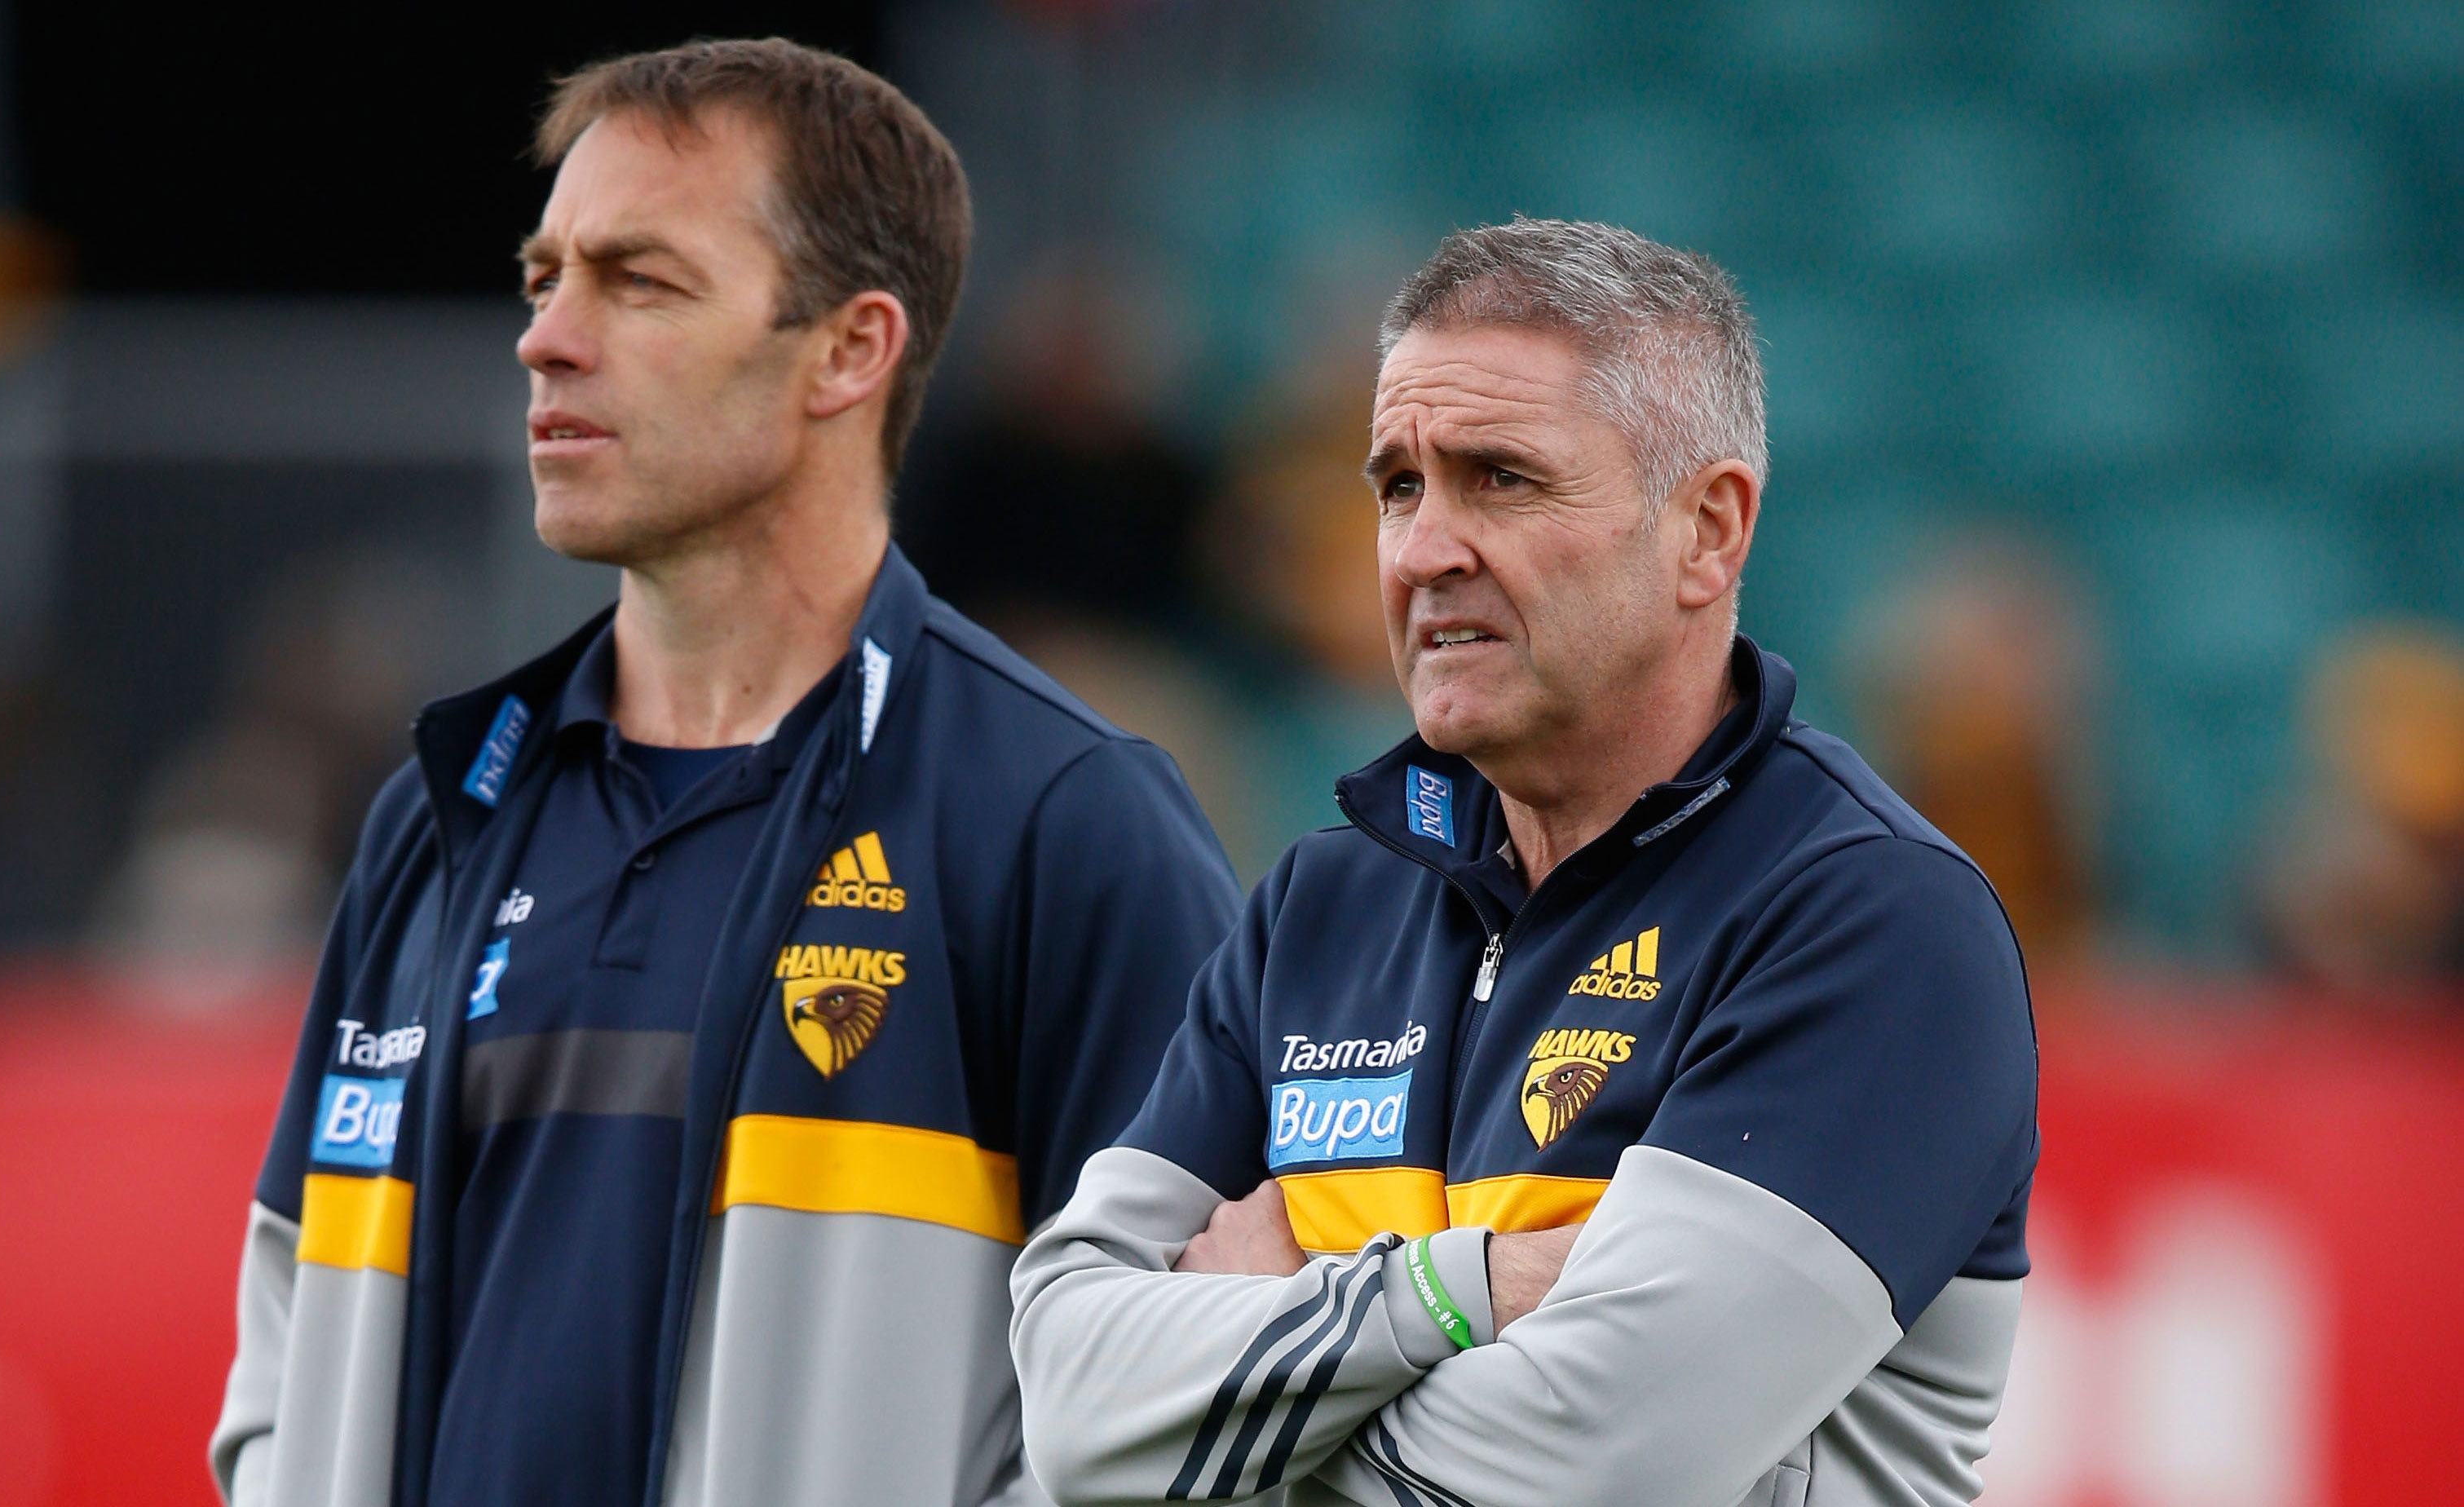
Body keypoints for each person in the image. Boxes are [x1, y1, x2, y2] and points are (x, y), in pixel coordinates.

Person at [210, 40, 1242, 1507]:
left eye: (639, 281)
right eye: (543, 276)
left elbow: (1198, 1397)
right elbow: (284, 1346)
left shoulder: (1065, 823)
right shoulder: (440, 816)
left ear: (850, 350)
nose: (548, 338)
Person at [1009, 219, 2038, 1507]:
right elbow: (1064, 1404)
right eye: (1398, 484)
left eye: (1500, 478)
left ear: (1707, 532)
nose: (1423, 550)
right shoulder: (1319, 907)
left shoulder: (1870, 920)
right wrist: (1457, 1292)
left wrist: (1237, 1385)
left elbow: (1577, 1479)